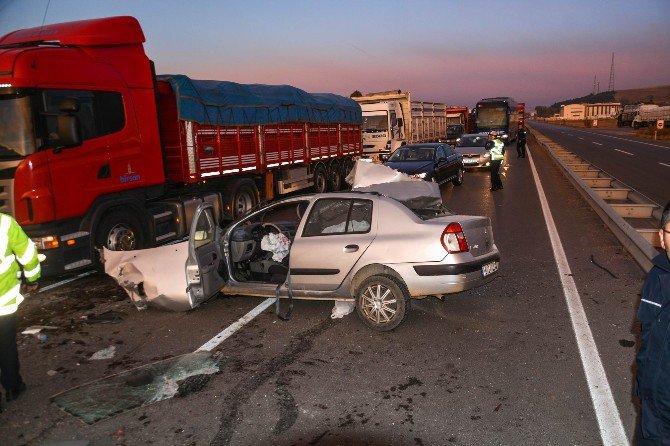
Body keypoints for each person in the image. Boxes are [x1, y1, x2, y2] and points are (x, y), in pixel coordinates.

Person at [636, 201, 670, 444]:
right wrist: (642, 387)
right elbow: (646, 337)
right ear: (661, 236)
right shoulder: (657, 276)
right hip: (652, 411)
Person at [0, 213, 41, 413]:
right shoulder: (4, 223)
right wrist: (33, 279)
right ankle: (13, 387)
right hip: (3, 302)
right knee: (6, 346)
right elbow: (27, 254)